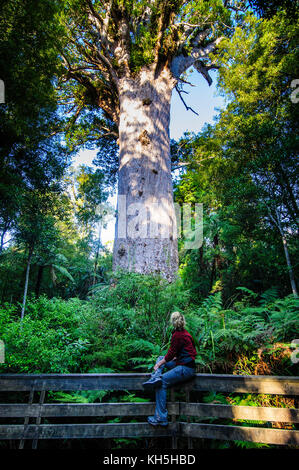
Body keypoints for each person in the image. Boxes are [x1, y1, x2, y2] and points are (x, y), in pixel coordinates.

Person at [142, 311, 197, 426]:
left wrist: (158, 365)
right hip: (184, 364)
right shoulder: (185, 333)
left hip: (185, 368)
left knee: (161, 383)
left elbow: (171, 354)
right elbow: (186, 351)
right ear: (183, 320)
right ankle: (155, 377)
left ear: (173, 322)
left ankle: (161, 418)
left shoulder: (178, 335)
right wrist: (171, 359)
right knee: (161, 358)